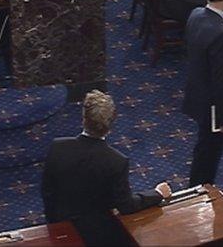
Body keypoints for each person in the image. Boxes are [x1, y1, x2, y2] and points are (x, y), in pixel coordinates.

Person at [42, 90, 171, 245]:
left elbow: (47, 192)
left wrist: (54, 224)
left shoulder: (58, 147)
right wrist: (157, 193)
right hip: (98, 235)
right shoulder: (116, 161)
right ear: (110, 125)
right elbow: (126, 206)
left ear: (84, 118)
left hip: (60, 225)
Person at [182, 0, 223, 187]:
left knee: (203, 148)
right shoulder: (221, 35)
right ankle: (200, 189)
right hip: (213, 106)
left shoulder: (196, 14)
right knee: (209, 152)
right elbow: (222, 80)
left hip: (197, 91)